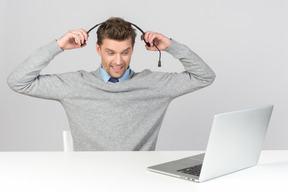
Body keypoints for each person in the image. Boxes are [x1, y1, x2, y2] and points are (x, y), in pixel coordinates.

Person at [7, 17, 216, 151]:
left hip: (140, 180)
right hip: (89, 180)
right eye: (110, 53)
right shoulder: (74, 85)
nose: (118, 61)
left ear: (133, 49)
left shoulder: (154, 84)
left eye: (125, 52)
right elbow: (18, 81)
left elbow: (204, 76)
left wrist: (171, 46)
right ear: (98, 50)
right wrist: (58, 45)